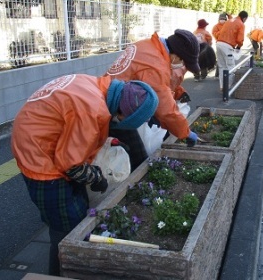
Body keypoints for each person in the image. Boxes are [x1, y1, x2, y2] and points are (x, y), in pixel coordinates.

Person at [11, 75, 159, 276]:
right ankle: (58, 272)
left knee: (78, 208)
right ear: (122, 113)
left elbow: (76, 134)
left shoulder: (99, 86)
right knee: (67, 228)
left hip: (39, 137)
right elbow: (70, 165)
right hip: (40, 158)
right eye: (128, 121)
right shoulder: (92, 111)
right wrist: (96, 177)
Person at [106, 29, 200, 147]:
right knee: (136, 154)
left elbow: (161, 87)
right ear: (176, 56)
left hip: (106, 92)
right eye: (183, 61)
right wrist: (186, 133)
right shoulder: (156, 67)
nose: (182, 65)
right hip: (116, 109)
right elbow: (166, 111)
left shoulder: (146, 45)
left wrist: (177, 92)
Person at [216, 10, 248, 91]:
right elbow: (240, 39)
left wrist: (229, 15)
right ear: (244, 18)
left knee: (222, 66)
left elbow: (232, 21)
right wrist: (239, 47)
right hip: (228, 46)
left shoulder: (230, 21)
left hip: (219, 43)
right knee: (231, 67)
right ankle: (228, 88)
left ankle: (222, 86)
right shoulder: (241, 24)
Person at [212, 12, 228, 78]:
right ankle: (218, 74)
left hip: (227, 44)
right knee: (220, 59)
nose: (222, 20)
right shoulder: (216, 26)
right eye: (221, 19)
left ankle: (225, 74)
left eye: (223, 19)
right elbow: (215, 34)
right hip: (219, 43)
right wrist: (222, 32)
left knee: (226, 59)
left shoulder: (228, 25)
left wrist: (229, 15)